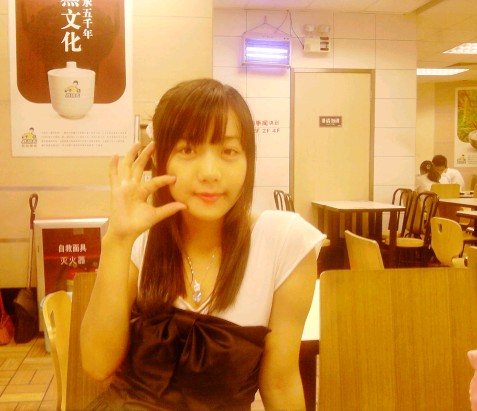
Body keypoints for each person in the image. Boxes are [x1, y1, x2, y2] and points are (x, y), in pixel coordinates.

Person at [80, 78, 326, 410]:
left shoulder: (285, 242)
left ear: (248, 160)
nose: (210, 172)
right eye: (188, 150)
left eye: (229, 151)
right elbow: (97, 365)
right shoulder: (141, 240)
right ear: (160, 158)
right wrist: (118, 240)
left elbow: (280, 383)